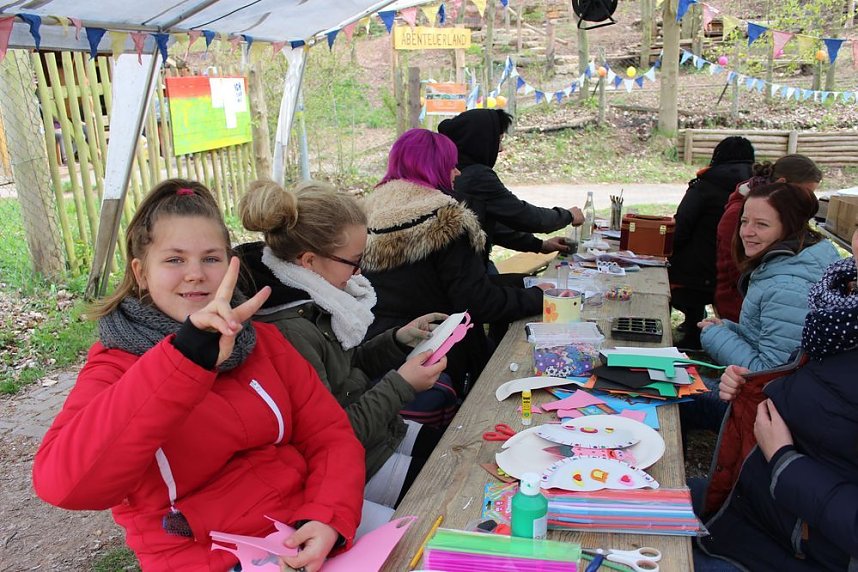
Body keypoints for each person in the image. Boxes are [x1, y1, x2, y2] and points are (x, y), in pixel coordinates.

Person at [31, 179, 364, 572]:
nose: (196, 275)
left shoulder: (263, 340)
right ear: (141, 272)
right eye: (174, 260)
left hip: (301, 533)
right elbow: (64, 484)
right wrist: (186, 357)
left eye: (210, 258)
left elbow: (330, 435)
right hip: (203, 557)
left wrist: (326, 515)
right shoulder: (115, 365)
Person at [235, 179, 448, 509]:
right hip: (352, 466)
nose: (358, 271)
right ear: (308, 261)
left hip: (377, 434)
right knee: (448, 484)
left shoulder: (313, 299)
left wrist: (396, 341)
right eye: (353, 260)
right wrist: (402, 385)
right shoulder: (291, 331)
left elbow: (346, 369)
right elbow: (332, 436)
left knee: (452, 447)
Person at [694, 224, 857, 571]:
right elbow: (809, 387)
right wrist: (753, 388)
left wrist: (785, 462)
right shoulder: (838, 312)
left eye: (761, 223)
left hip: (791, 547)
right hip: (751, 503)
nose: (747, 232)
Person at [361, 128, 546, 395]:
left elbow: (429, 284)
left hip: (379, 350)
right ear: (434, 167)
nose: (457, 172)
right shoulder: (445, 220)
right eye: (451, 165)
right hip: (437, 354)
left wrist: (520, 284)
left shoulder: (368, 213)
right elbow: (477, 302)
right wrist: (539, 298)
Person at [698, 181, 839, 371]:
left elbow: (771, 373)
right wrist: (728, 329)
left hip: (772, 398)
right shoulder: (791, 261)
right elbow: (765, 338)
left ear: (790, 227)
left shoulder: (788, 288)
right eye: (744, 221)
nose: (746, 232)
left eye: (762, 224)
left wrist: (714, 336)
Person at [437, 108, 584, 264]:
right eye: (498, 140)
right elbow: (523, 215)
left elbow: (495, 227)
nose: (501, 149)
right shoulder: (475, 176)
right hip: (458, 275)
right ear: (480, 141)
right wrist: (568, 215)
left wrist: (540, 245)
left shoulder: (453, 169)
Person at [669, 136, 755, 348]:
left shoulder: (705, 185)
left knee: (659, 275)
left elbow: (681, 228)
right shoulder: (758, 188)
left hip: (695, 274)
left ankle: (692, 328)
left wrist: (668, 252)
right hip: (737, 270)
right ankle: (693, 323)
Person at [714, 154, 823, 322]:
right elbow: (738, 272)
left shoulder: (786, 215)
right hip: (739, 305)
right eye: (805, 192)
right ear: (781, 184)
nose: (808, 200)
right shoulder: (738, 214)